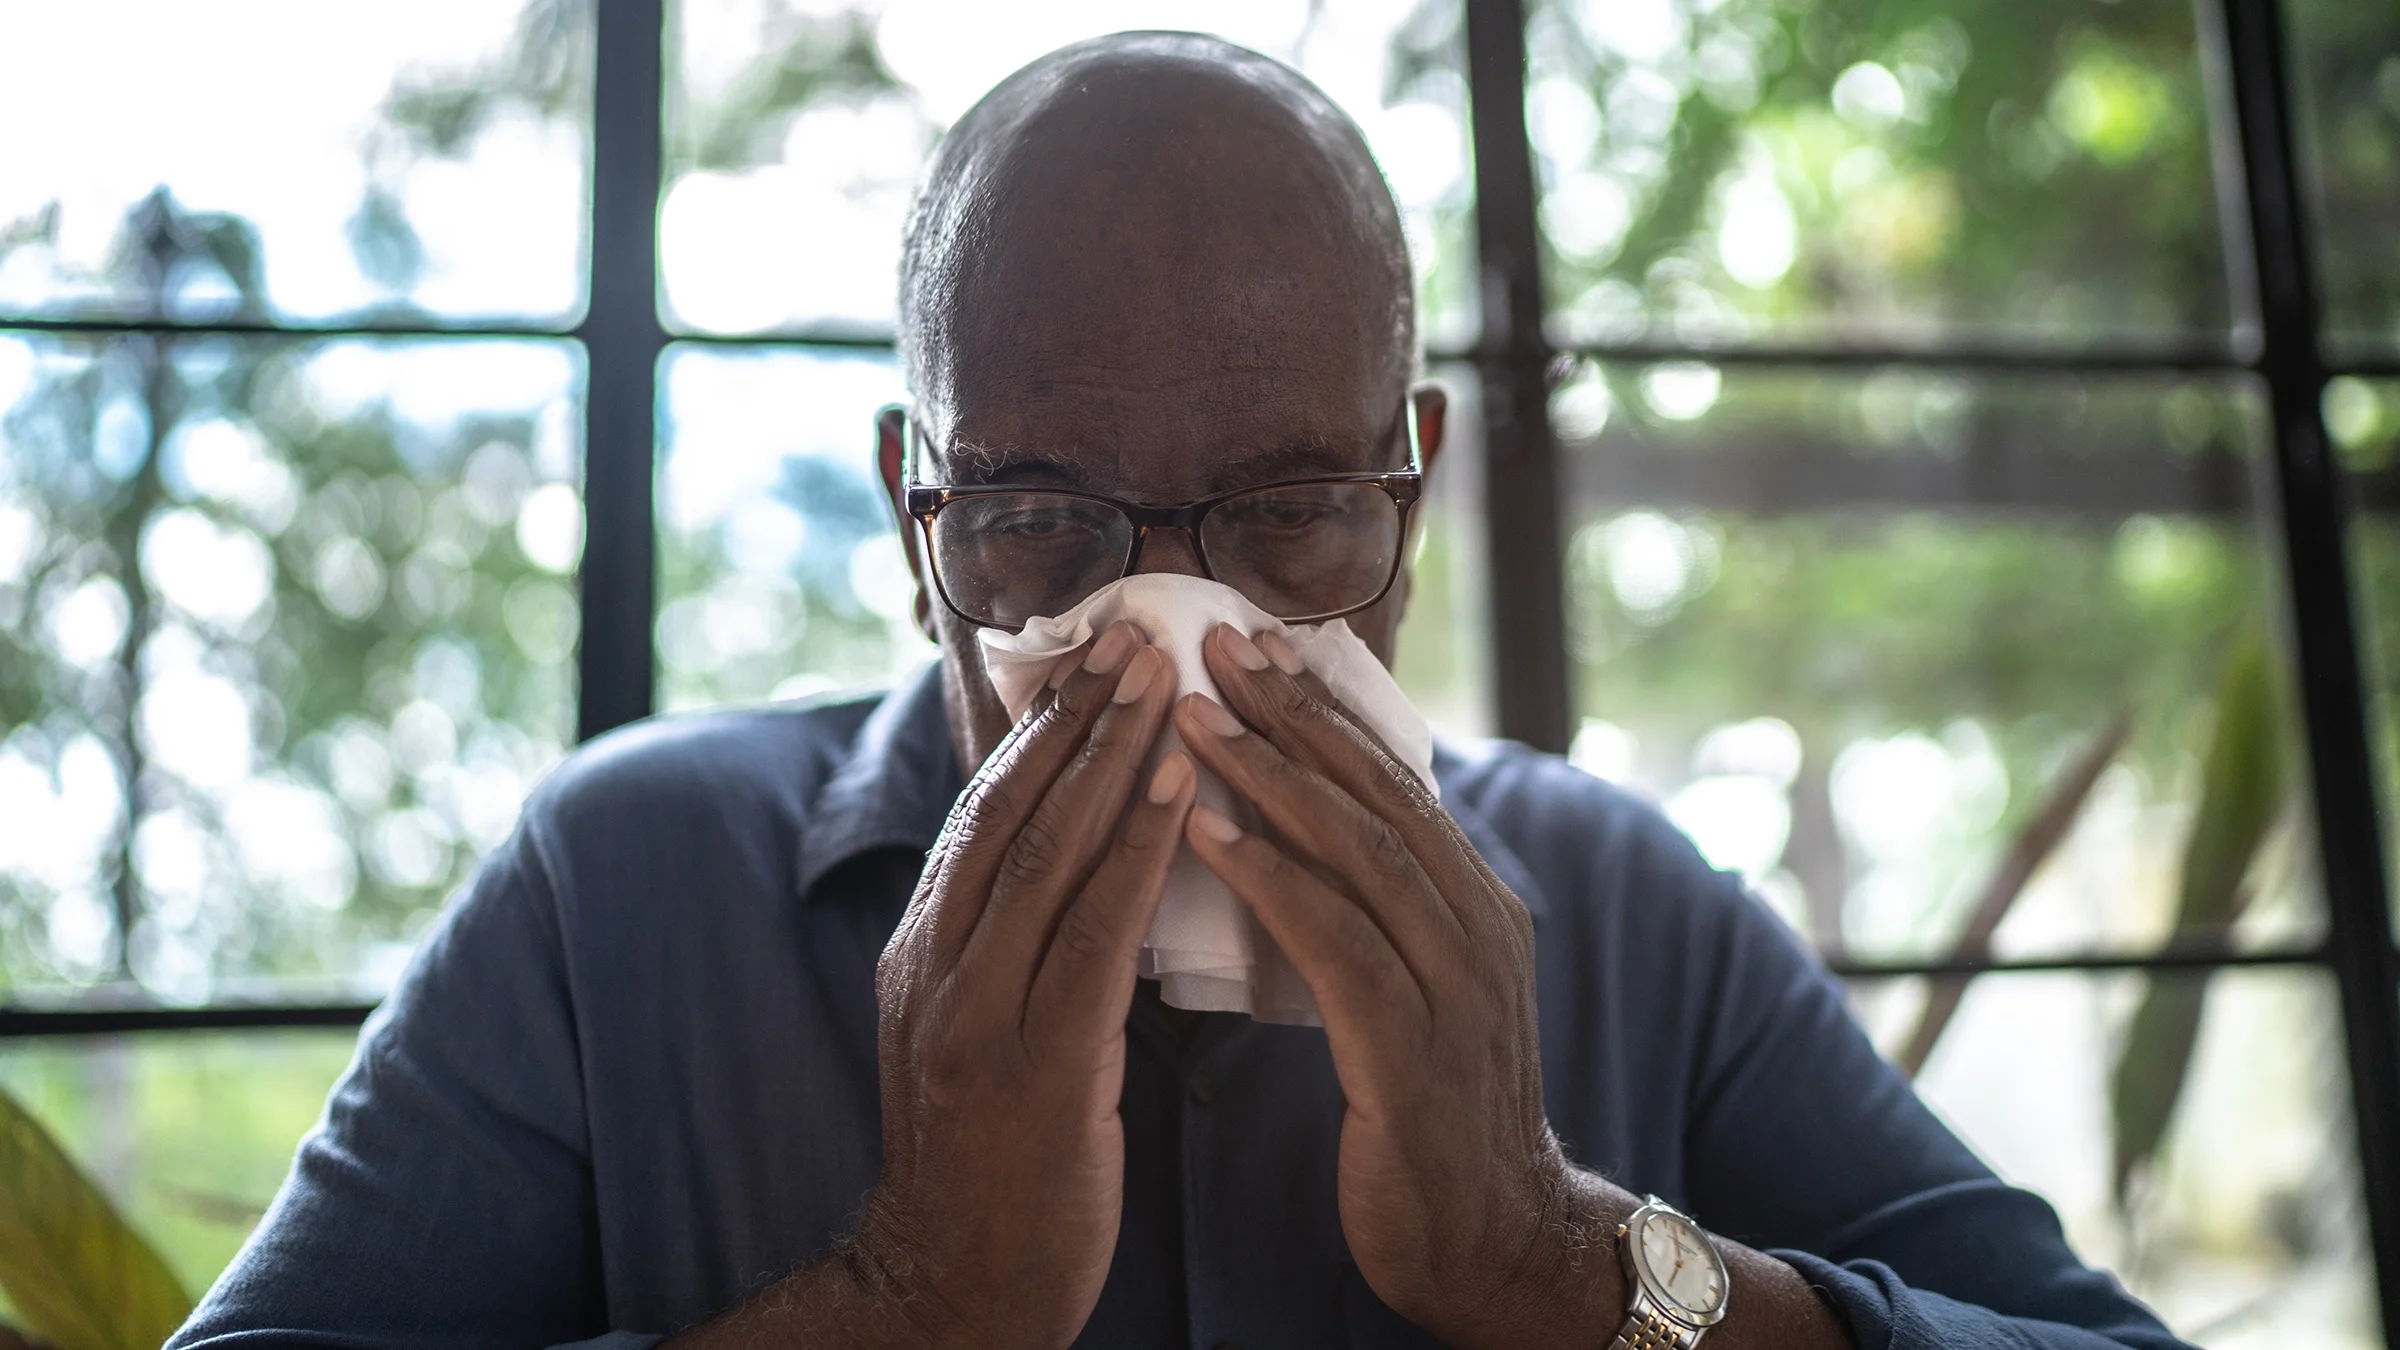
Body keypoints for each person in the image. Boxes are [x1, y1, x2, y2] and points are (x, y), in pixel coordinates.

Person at [172, 32, 2192, 1350]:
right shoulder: (623, 895)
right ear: (915, 513)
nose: (1172, 616)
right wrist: (903, 1303)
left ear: (1408, 499)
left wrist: (1565, 1265)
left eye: (1292, 509)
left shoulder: (1624, 902)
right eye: (1045, 512)